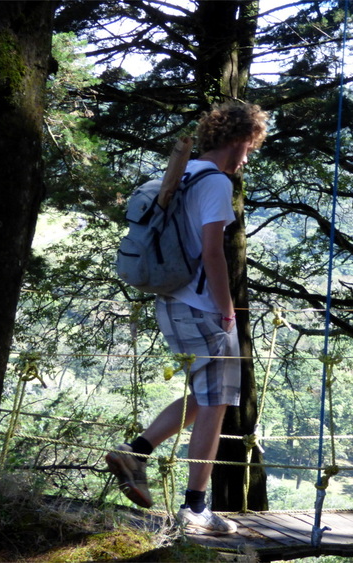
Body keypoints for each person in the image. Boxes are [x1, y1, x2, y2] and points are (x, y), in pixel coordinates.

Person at [106, 100, 268, 534]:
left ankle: (136, 451)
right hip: (201, 306)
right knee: (218, 403)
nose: (247, 158)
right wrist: (226, 309)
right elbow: (213, 252)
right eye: (249, 148)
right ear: (237, 141)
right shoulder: (214, 183)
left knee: (205, 393)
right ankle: (195, 508)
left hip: (169, 300)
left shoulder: (183, 173)